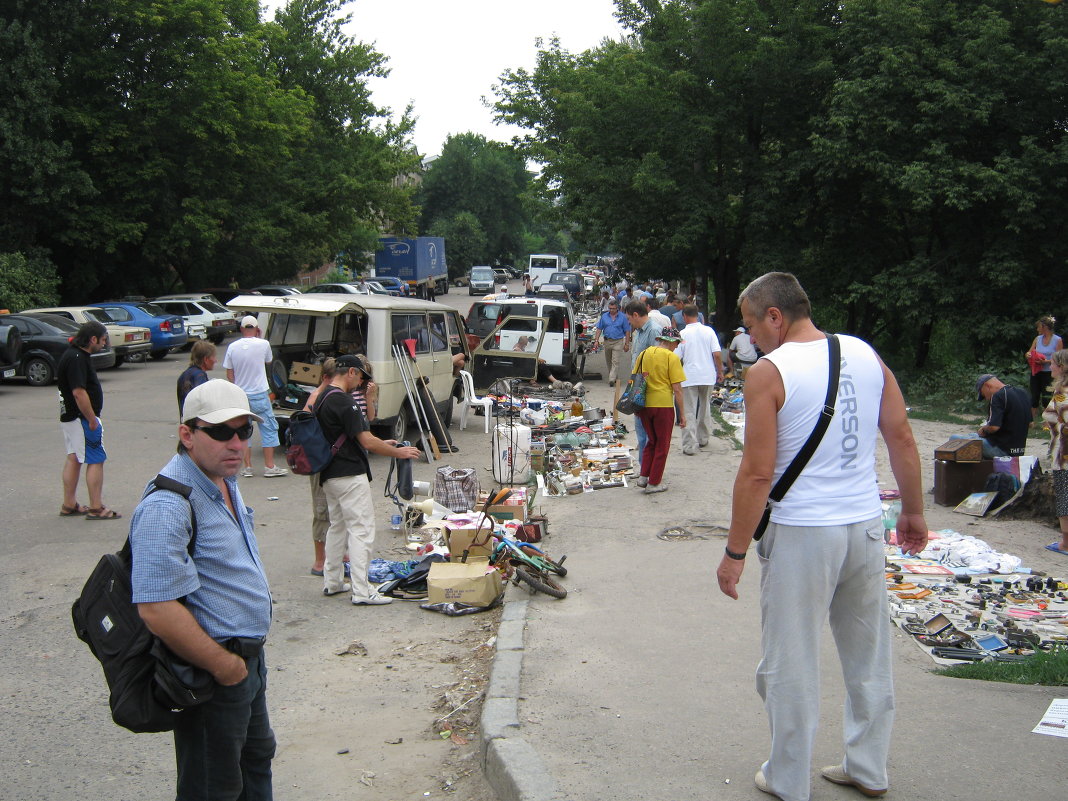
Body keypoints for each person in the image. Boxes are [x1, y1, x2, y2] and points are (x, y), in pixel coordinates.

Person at [716, 272, 927, 801]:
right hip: (863, 527)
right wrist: (913, 514)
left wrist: (734, 552)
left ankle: (788, 779)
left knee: (791, 659)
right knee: (868, 655)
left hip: (804, 534)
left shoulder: (769, 372)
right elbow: (900, 434)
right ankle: (869, 768)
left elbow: (757, 473)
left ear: (774, 317)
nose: (750, 340)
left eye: (750, 325)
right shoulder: (863, 353)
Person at [131, 379, 275, 800]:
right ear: (187, 434)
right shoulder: (167, 505)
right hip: (215, 670)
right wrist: (222, 666)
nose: (235, 443)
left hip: (248, 660)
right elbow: (156, 608)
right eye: (220, 432)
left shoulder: (222, 478)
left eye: (243, 431)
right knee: (213, 785)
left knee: (255, 760)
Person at [316, 354, 421, 604]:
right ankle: (362, 592)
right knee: (362, 531)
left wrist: (381, 443)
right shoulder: (345, 401)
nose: (361, 383)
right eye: (361, 377)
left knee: (337, 527)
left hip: (329, 473)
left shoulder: (323, 397)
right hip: (350, 474)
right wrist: (397, 451)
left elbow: (346, 436)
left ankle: (333, 581)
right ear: (351, 372)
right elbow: (366, 439)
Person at [57, 320, 119, 519]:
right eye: (102, 340)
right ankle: (96, 507)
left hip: (70, 417)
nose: (103, 344)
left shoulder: (72, 354)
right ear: (92, 339)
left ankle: (69, 504)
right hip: (81, 418)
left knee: (74, 457)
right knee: (96, 459)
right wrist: (91, 418)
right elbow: (78, 392)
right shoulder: (77, 358)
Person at [224, 315, 287, 477]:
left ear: (241, 328)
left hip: (241, 396)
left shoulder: (232, 347)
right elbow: (268, 362)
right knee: (269, 428)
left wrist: (237, 389)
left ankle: (248, 467)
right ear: (257, 329)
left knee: (245, 431)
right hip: (260, 394)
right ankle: (269, 466)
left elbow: (229, 373)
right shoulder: (264, 344)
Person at [634, 328, 686, 493]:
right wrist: (682, 415)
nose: (677, 347)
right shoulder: (672, 357)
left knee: (651, 440)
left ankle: (644, 476)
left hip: (644, 405)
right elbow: (677, 388)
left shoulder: (643, 354)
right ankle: (654, 483)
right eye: (677, 343)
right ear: (671, 341)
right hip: (663, 405)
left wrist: (635, 405)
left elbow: (635, 379)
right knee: (662, 445)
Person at [676, 305, 723, 455]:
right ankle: (703, 438)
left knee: (688, 411)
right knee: (705, 408)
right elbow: (717, 354)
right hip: (707, 375)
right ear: (699, 316)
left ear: (684, 316)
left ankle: (689, 445)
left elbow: (677, 358)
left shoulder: (682, 334)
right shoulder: (709, 331)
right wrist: (720, 371)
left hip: (689, 376)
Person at [623, 300, 664, 462]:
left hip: (647, 387)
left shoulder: (654, 330)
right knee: (640, 432)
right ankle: (643, 467)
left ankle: (647, 469)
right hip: (637, 385)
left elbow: (657, 361)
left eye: (629, 318)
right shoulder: (639, 331)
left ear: (635, 315)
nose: (628, 322)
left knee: (647, 433)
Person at [1042, 350, 1068, 555]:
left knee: (1064, 496)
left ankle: (1066, 543)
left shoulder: (1062, 394)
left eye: (1053, 364)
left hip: (1064, 453)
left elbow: (1053, 418)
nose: (1050, 367)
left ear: (1062, 367)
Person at [975, 373, 1031, 458]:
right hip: (1019, 451)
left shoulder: (997, 396)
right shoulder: (1022, 393)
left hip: (1001, 450)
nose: (986, 398)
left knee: (956, 438)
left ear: (987, 386)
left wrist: (984, 429)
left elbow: (994, 427)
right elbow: (1031, 423)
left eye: (983, 394)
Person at [1027, 315, 1063, 421]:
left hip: (1049, 372)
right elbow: (1029, 351)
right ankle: (1031, 421)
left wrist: (1045, 361)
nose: (1037, 329)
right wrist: (1028, 355)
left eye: (1039, 327)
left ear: (1044, 327)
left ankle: (1047, 421)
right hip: (1036, 371)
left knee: (1047, 396)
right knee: (1034, 395)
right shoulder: (1037, 339)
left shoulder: (1057, 340)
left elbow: (1059, 358)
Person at [592, 299, 632, 387]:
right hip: (607, 341)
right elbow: (599, 329)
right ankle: (614, 376)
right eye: (610, 308)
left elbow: (627, 331)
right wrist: (596, 340)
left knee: (615, 361)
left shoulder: (623, 317)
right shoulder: (604, 316)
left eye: (613, 308)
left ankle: (611, 379)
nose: (611, 310)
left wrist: (627, 344)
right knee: (609, 361)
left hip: (618, 341)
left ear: (617, 308)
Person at [177, 340, 217, 418]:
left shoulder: (185, 374)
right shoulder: (199, 375)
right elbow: (203, 402)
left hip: (185, 419)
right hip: (196, 421)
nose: (215, 360)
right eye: (214, 356)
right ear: (206, 359)